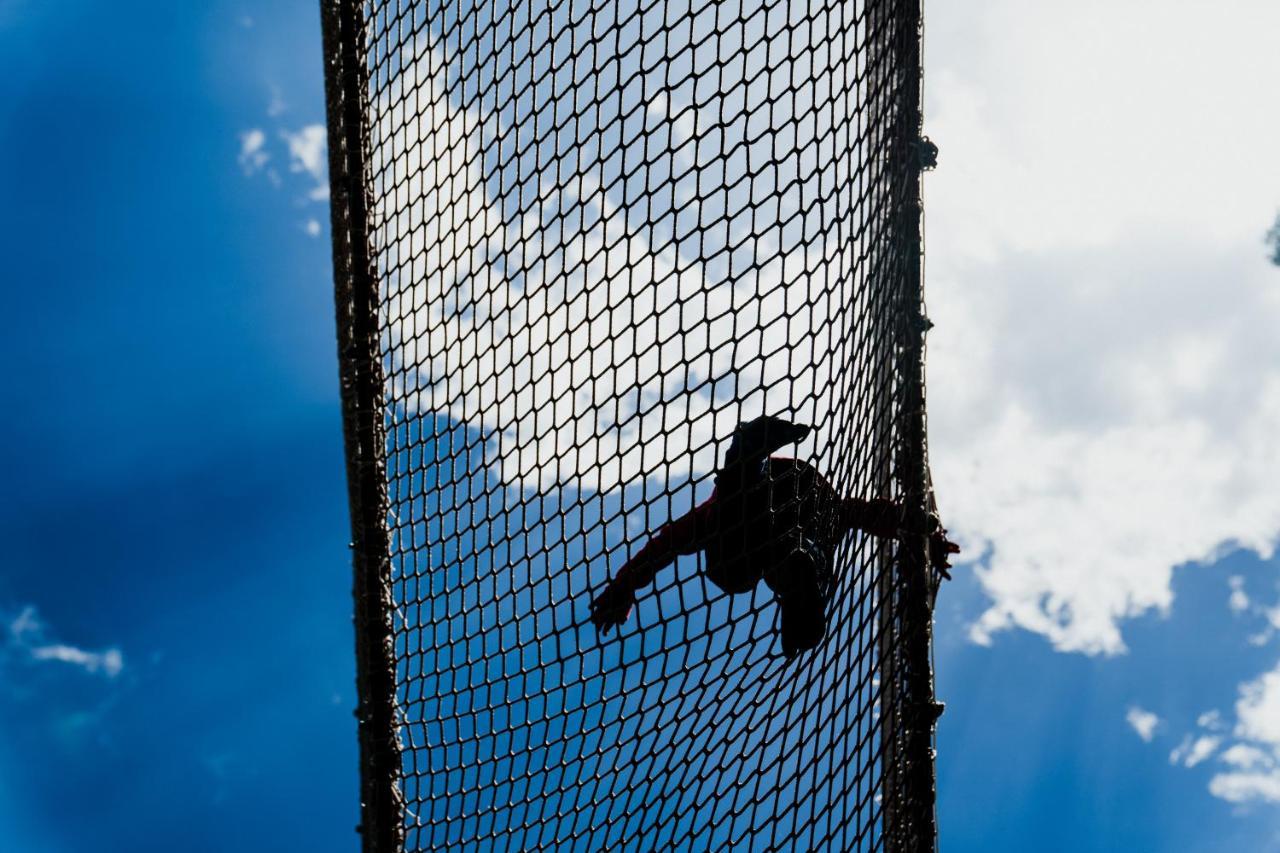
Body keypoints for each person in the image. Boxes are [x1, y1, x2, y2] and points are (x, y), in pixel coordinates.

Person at [589, 415, 959, 656]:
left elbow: (666, 543)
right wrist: (920, 529)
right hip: (798, 497)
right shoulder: (812, 530)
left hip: (780, 501)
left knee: (733, 575)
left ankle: (747, 462)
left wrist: (624, 586)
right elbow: (862, 514)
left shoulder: (727, 537)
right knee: (768, 553)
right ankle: (749, 467)